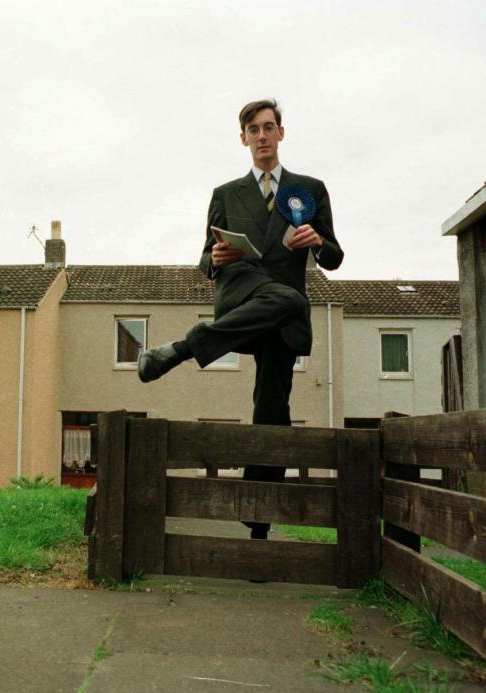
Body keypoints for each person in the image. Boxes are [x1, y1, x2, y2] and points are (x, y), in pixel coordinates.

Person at [137, 98, 343, 539]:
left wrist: (318, 240)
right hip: (242, 292)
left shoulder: (308, 189)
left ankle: (258, 519)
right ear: (244, 138)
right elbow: (205, 262)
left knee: (272, 407)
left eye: (269, 127)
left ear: (281, 134)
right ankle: (191, 344)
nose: (262, 136)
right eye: (254, 129)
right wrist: (214, 256)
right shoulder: (225, 194)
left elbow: (334, 256)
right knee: (293, 300)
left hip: (280, 316)